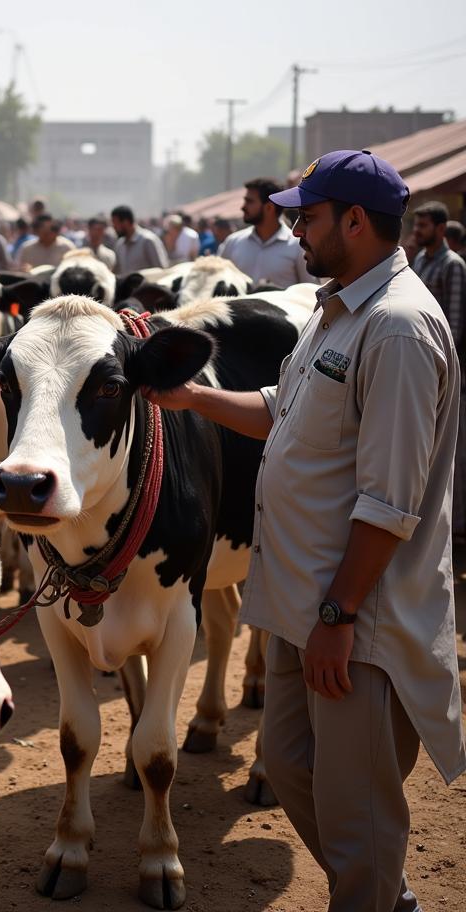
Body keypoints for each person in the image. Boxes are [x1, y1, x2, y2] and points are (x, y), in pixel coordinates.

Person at [146, 150, 465, 912]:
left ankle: (373, 892)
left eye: (307, 217)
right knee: (288, 766)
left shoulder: (396, 329)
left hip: (354, 616)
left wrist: (339, 616)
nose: (292, 231)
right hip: (300, 598)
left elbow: (391, 502)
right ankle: (383, 891)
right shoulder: (337, 309)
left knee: (357, 815)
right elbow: (277, 406)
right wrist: (192, 399)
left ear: (356, 221)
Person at [412, 200, 466, 541]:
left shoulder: (453, 265)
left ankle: (456, 526)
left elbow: (455, 326)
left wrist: (438, 371)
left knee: (452, 454)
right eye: (415, 225)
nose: (416, 232)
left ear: (441, 229)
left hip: (443, 373)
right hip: (419, 369)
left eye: (423, 226)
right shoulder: (419, 261)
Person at [219, 178, 317, 287]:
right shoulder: (233, 242)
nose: (243, 207)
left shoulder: (298, 246)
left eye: (249, 201)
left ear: (269, 207)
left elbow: (309, 290)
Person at [112, 204, 167, 274]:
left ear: (126, 222)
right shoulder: (120, 245)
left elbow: (161, 270)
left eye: (115, 223)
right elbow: (117, 272)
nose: (114, 227)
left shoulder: (148, 241)